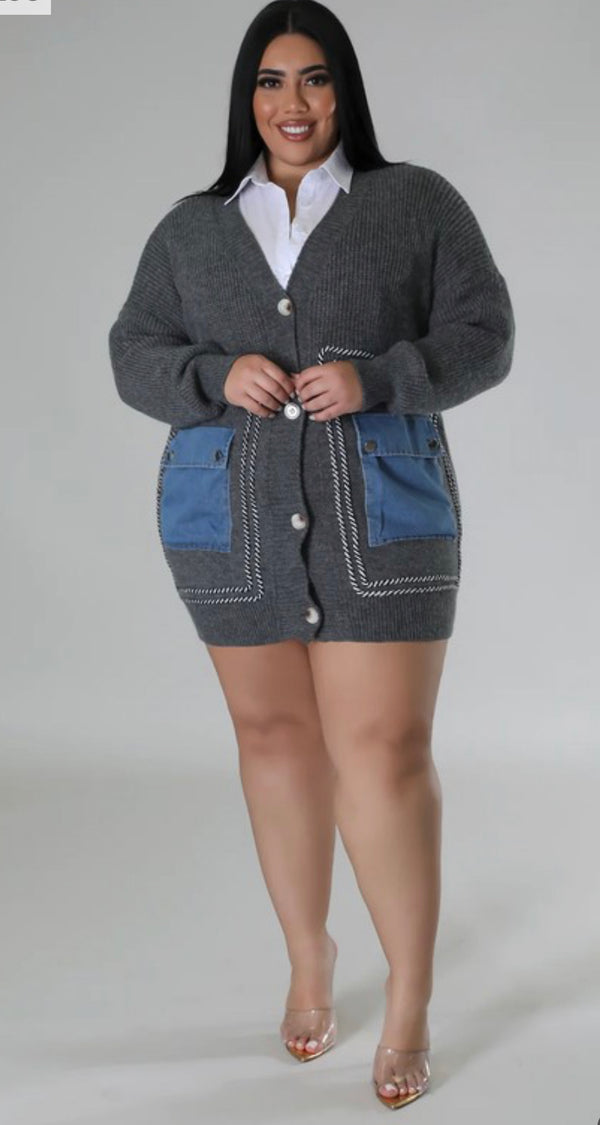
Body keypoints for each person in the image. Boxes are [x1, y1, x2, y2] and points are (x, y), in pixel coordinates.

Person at [108, 0, 515, 1108]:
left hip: (383, 517)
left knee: (383, 752)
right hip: (228, 517)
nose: (294, 103)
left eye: (316, 78)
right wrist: (209, 375)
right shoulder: (192, 229)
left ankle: (410, 997)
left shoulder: (415, 203)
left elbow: (486, 334)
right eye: (271, 81)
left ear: (346, 92)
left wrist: (383, 378)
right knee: (273, 739)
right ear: (246, 98)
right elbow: (132, 351)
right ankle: (309, 959)